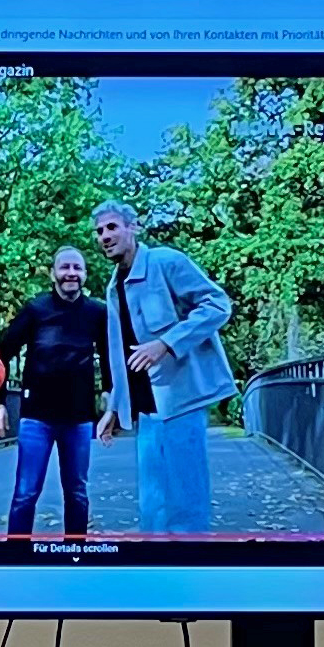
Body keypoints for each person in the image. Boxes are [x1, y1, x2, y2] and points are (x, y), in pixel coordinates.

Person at [90, 202, 234, 536]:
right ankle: (156, 570)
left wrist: (166, 343)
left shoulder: (166, 262)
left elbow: (218, 305)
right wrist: (114, 407)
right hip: (146, 409)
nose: (105, 237)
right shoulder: (114, 287)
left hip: (180, 400)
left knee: (185, 499)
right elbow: (120, 353)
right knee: (152, 503)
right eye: (99, 232)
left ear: (133, 227)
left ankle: (189, 572)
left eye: (112, 227)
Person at [0, 247, 107, 537]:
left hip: (79, 417)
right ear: (53, 273)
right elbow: (2, 353)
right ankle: (17, 558)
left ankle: (74, 555)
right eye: (65, 267)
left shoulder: (97, 312)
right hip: (37, 418)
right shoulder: (36, 310)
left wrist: (111, 396)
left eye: (77, 268)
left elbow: (110, 357)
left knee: (77, 493)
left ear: (84, 274)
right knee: (25, 494)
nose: (71, 273)